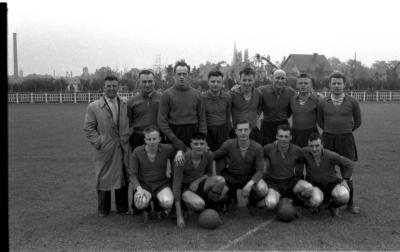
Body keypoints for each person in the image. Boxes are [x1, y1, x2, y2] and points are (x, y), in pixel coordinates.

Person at [84, 75, 130, 217]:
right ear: (104, 87)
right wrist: (99, 142)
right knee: (103, 177)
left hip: (122, 147)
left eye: (114, 86)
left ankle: (123, 208)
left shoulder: (124, 103)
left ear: (118, 87)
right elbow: (89, 128)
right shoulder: (93, 107)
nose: (111, 88)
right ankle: (103, 209)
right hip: (105, 149)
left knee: (122, 176)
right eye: (108, 86)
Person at [317, 71, 362, 214]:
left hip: (346, 139)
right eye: (334, 83)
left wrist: (345, 130)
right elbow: (320, 121)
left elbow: (358, 121)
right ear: (329, 85)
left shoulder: (352, 101)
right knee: (326, 170)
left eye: (339, 83)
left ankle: (350, 203)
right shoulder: (323, 101)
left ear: (344, 85)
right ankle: (326, 201)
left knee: (347, 170)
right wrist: (331, 130)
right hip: (328, 138)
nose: (336, 86)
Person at [127, 125, 184, 222]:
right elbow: (132, 175)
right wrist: (139, 189)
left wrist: (180, 151)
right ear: (144, 140)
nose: (152, 142)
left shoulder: (167, 148)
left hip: (161, 184)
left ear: (160, 139)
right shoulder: (137, 152)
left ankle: (159, 208)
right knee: (140, 204)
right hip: (144, 185)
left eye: (154, 139)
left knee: (168, 202)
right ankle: (147, 209)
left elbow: (181, 145)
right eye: (149, 139)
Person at [213, 119, 268, 215]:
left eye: (246, 130)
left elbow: (260, 170)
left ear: (250, 130)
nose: (243, 133)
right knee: (219, 193)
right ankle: (230, 200)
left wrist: (250, 184)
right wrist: (200, 151)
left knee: (262, 189)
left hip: (249, 176)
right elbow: (214, 156)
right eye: (240, 130)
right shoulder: (228, 144)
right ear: (235, 131)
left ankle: (252, 202)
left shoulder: (258, 147)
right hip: (231, 176)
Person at [173, 133, 227, 228]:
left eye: (202, 144)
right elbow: (176, 186)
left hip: (199, 184)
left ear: (206, 144)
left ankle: (212, 211)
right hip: (185, 189)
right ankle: (185, 206)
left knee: (220, 180)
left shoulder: (209, 155)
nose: (199, 146)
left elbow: (209, 174)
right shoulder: (181, 159)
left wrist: (197, 181)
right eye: (196, 144)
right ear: (191, 145)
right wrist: (179, 216)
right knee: (199, 204)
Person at [158, 60, 207, 150]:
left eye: (184, 74)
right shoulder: (166, 95)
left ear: (189, 75)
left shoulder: (197, 94)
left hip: (193, 133)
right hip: (174, 133)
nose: (181, 77)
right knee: (177, 163)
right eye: (179, 74)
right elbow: (162, 122)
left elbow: (202, 120)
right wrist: (174, 139)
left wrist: (203, 138)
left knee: (194, 163)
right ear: (174, 76)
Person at [263, 124, 313, 211]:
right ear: (276, 136)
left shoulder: (297, 150)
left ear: (291, 137)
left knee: (309, 188)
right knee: (270, 204)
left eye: (286, 136)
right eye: (281, 136)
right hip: (274, 183)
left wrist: (298, 175)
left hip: (290, 182)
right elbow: (258, 157)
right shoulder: (268, 148)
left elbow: (301, 162)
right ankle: (280, 199)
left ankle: (299, 200)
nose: (283, 139)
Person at [302, 133, 354, 217]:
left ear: (322, 144)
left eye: (317, 145)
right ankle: (318, 204)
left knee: (344, 196)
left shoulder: (331, 155)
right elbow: (293, 152)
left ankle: (332, 206)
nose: (314, 149)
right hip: (314, 184)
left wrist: (345, 180)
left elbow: (349, 164)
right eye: (311, 146)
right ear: (308, 145)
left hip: (331, 184)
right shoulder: (304, 152)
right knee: (315, 201)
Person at [258, 69, 296, 146]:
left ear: (285, 80)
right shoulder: (262, 90)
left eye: (282, 78)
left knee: (284, 149)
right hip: (267, 126)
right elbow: (250, 93)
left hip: (283, 125)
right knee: (266, 150)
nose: (280, 80)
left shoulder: (291, 92)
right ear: (272, 78)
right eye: (277, 78)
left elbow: (292, 108)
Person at [127, 69, 163, 150]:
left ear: (154, 82)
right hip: (138, 139)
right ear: (139, 82)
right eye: (144, 82)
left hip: (157, 138)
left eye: (150, 81)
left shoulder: (163, 99)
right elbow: (129, 123)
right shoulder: (131, 101)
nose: (147, 85)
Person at [230, 67, 263, 144]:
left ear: (254, 81)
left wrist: (257, 114)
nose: (247, 83)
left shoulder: (258, 93)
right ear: (239, 80)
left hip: (253, 131)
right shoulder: (232, 94)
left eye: (250, 80)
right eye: (244, 80)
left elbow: (261, 105)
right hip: (237, 132)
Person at [202, 70, 232, 152]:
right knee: (207, 158)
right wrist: (202, 138)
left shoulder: (227, 97)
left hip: (222, 132)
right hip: (208, 131)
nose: (215, 84)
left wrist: (229, 135)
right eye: (213, 81)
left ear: (222, 83)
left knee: (222, 158)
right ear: (208, 82)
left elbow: (228, 118)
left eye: (218, 82)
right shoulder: (202, 98)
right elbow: (201, 119)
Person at [290, 73, 320, 147]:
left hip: (312, 133)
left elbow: (321, 118)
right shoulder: (292, 99)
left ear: (310, 85)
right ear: (297, 85)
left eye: (306, 83)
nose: (303, 85)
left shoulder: (317, 99)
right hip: (295, 133)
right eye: (300, 83)